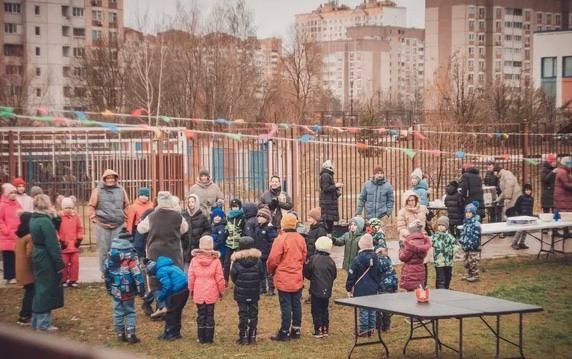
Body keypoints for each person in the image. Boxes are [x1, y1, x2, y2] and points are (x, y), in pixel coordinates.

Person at [137, 191, 188, 315]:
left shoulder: (152, 216)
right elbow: (184, 229)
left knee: (155, 279)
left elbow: (140, 229)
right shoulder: (177, 216)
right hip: (173, 251)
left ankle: (161, 305)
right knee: (173, 277)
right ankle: (172, 306)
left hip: (155, 251)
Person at [267, 213, 307, 341]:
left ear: (283, 224)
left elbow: (273, 259)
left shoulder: (281, 239)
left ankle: (284, 331)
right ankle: (296, 329)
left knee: (285, 305)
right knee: (296, 303)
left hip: (283, 276)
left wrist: (271, 270)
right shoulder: (300, 238)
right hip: (297, 276)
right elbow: (304, 256)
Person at [29, 194, 64, 331]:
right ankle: (43, 323)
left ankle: (36, 321)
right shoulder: (44, 221)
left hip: (38, 254)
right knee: (46, 288)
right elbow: (52, 245)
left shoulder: (35, 219)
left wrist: (55, 216)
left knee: (40, 287)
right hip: (46, 257)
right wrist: (59, 263)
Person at [104, 233, 145, 344]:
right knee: (130, 311)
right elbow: (137, 276)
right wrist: (141, 291)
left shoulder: (110, 258)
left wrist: (109, 289)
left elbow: (107, 276)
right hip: (128, 291)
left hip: (115, 290)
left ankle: (119, 333)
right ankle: (131, 334)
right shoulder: (131, 259)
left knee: (118, 311)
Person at [87, 169, 130, 275]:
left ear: (115, 178)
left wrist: (126, 219)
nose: (110, 180)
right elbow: (91, 206)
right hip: (102, 225)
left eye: (112, 178)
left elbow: (126, 205)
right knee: (103, 250)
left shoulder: (121, 190)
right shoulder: (97, 190)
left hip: (118, 225)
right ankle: (105, 272)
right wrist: (93, 218)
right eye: (108, 178)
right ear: (104, 179)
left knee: (117, 249)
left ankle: (117, 271)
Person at [188, 235, 225, 344]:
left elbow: (191, 277)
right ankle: (209, 338)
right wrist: (221, 290)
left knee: (201, 313)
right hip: (211, 289)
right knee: (210, 314)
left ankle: (201, 337)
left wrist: (191, 289)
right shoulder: (216, 260)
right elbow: (220, 277)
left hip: (198, 289)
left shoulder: (194, 260)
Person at [345, 234, 382, 337]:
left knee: (364, 310)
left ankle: (364, 331)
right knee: (372, 309)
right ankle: (372, 329)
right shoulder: (376, 258)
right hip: (373, 288)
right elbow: (379, 272)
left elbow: (352, 274)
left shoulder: (357, 259)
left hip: (361, 288)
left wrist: (348, 287)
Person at [145, 256, 189, 341]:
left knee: (171, 313)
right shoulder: (170, 266)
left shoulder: (160, 271)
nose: (154, 277)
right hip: (185, 289)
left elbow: (167, 286)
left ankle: (169, 334)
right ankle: (176, 332)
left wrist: (160, 297)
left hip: (177, 291)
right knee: (177, 311)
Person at [230, 236, 264, 345]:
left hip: (241, 291)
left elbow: (233, 276)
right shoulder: (258, 261)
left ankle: (243, 336)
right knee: (253, 313)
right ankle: (252, 336)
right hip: (254, 291)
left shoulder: (236, 261)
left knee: (243, 313)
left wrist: (239, 283)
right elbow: (261, 275)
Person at [303, 236, 337, 338]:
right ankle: (325, 328)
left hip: (315, 288)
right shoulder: (331, 261)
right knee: (324, 308)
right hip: (327, 288)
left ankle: (318, 329)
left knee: (316, 309)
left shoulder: (313, 259)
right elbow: (334, 274)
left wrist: (311, 278)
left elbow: (307, 272)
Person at [57, 196, 83, 288]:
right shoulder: (59, 217)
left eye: (70, 208)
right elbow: (56, 230)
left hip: (74, 245)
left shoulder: (76, 217)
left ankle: (73, 280)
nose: (68, 210)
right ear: (62, 208)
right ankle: (63, 279)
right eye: (66, 208)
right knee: (64, 263)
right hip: (64, 245)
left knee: (75, 263)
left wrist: (79, 239)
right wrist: (60, 240)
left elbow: (79, 228)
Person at [398, 220, 431, 291]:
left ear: (411, 231)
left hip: (410, 272)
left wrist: (401, 249)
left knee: (410, 294)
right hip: (420, 269)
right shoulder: (423, 241)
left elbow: (403, 257)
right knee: (418, 291)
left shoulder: (410, 243)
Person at [252, 207, 278, 295]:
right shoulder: (257, 227)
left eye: (262, 216)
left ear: (267, 218)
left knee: (268, 272)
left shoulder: (270, 229)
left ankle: (271, 289)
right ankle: (262, 288)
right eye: (258, 216)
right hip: (259, 254)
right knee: (260, 271)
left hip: (267, 254)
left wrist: (270, 252)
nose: (259, 218)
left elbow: (273, 242)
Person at [15, 211, 34, 326]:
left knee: (29, 291)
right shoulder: (29, 237)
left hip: (21, 270)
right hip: (29, 271)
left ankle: (25, 314)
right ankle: (25, 315)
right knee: (31, 292)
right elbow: (30, 254)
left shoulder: (19, 236)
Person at [0, 183, 21, 284]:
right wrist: (5, 230)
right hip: (7, 236)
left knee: (16, 256)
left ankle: (16, 275)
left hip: (16, 234)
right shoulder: (2, 205)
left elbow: (20, 216)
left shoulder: (17, 204)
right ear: (6, 194)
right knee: (8, 257)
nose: (14, 194)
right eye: (11, 193)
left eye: (14, 192)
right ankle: (9, 276)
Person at [182, 194, 210, 266]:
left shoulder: (202, 216)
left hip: (197, 247)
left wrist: (202, 238)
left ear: (196, 203)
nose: (191, 204)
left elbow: (208, 230)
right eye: (189, 202)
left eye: (192, 202)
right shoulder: (183, 215)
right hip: (185, 247)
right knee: (186, 269)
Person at [431, 216, 458, 289]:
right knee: (440, 277)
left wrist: (453, 251)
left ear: (446, 226)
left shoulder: (450, 237)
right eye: (439, 225)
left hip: (448, 261)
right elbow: (429, 243)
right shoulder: (435, 236)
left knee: (448, 276)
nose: (441, 227)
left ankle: (446, 288)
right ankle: (440, 290)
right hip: (439, 261)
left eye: (443, 225)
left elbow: (455, 245)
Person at [375, 245, 397, 332]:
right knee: (387, 308)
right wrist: (395, 287)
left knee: (377, 308)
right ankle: (386, 327)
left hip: (378, 287)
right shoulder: (388, 261)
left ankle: (378, 326)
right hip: (389, 287)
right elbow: (394, 275)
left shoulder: (375, 262)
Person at [126, 187, 153, 257]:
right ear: (138, 196)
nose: (144, 197)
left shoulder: (152, 205)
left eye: (146, 195)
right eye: (142, 195)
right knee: (138, 245)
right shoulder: (133, 206)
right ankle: (140, 259)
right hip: (138, 228)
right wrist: (129, 231)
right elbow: (130, 220)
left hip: (151, 228)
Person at [459, 203, 482, 282]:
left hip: (473, 247)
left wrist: (472, 243)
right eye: (466, 212)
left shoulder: (476, 224)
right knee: (466, 261)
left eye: (470, 213)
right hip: (466, 246)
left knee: (473, 262)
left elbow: (476, 236)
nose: (468, 214)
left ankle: (475, 275)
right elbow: (463, 233)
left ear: (473, 213)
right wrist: (462, 240)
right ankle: (469, 274)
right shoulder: (465, 223)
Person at [319, 160, 343, 234]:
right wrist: (336, 185)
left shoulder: (327, 175)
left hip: (329, 203)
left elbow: (327, 189)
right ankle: (327, 237)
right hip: (328, 204)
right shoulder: (326, 175)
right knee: (328, 223)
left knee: (329, 223)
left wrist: (336, 192)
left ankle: (328, 236)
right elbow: (325, 188)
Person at [224, 199, 245, 282]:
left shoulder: (242, 216)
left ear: (239, 207)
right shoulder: (228, 217)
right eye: (233, 207)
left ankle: (238, 279)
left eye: (236, 206)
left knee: (238, 261)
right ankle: (225, 280)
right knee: (226, 262)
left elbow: (243, 228)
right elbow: (226, 227)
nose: (235, 208)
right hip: (229, 243)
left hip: (238, 243)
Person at [511, 184, 534, 250]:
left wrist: (531, 216)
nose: (528, 191)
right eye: (527, 190)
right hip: (521, 216)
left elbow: (531, 208)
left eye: (529, 190)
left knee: (525, 230)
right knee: (519, 230)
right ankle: (514, 243)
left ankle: (522, 243)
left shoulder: (531, 199)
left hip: (528, 217)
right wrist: (520, 213)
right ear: (524, 191)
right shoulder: (521, 197)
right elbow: (516, 206)